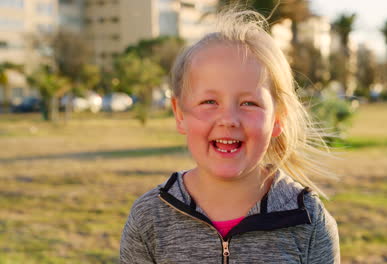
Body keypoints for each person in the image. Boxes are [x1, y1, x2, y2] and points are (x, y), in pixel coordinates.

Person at [120, 8, 340, 264]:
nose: (228, 119)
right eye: (210, 101)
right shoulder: (150, 218)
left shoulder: (309, 220)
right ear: (180, 114)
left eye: (248, 103)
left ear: (278, 118)